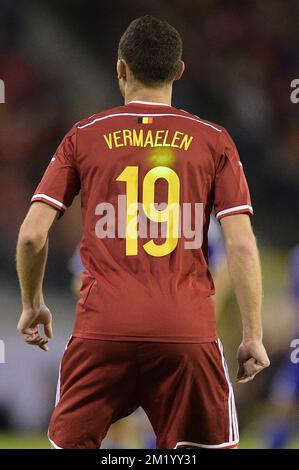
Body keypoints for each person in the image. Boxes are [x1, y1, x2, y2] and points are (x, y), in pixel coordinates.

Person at [16, 15, 269, 449]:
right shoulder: (214, 140)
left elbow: (31, 237)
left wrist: (33, 304)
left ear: (120, 68)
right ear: (179, 71)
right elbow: (241, 244)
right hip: (186, 333)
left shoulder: (84, 136)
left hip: (102, 331)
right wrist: (252, 336)